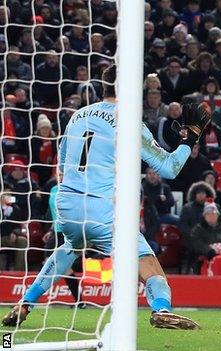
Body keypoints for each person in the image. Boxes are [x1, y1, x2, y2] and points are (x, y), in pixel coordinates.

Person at [2, 65, 207, 329]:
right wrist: (188, 141)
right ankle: (161, 309)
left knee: (70, 248)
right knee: (151, 269)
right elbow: (169, 168)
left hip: (68, 204)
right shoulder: (129, 122)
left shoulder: (77, 116)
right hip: (102, 210)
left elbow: (61, 168)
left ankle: (25, 302)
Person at [187, 202, 221, 274]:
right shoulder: (198, 229)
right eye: (208, 214)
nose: (211, 216)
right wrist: (208, 250)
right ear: (204, 216)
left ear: (218, 215)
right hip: (208, 257)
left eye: (213, 213)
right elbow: (195, 242)